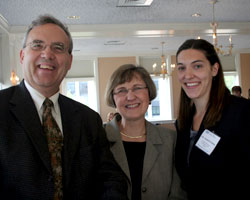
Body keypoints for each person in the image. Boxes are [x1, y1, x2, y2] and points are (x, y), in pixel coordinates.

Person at [0, 14, 128, 200]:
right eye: (37, 45)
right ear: (22, 55)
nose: (47, 54)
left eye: (58, 48)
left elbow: (109, 178)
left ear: (69, 62)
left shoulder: (88, 119)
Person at [175, 39, 250, 200]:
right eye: (181, 68)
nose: (188, 75)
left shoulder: (241, 112)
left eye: (197, 66)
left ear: (214, 69)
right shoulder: (182, 122)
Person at [104, 64, 187, 200]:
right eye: (121, 90)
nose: (130, 97)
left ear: (149, 94)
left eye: (137, 88)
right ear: (113, 98)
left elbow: (178, 194)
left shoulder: (170, 139)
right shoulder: (98, 137)